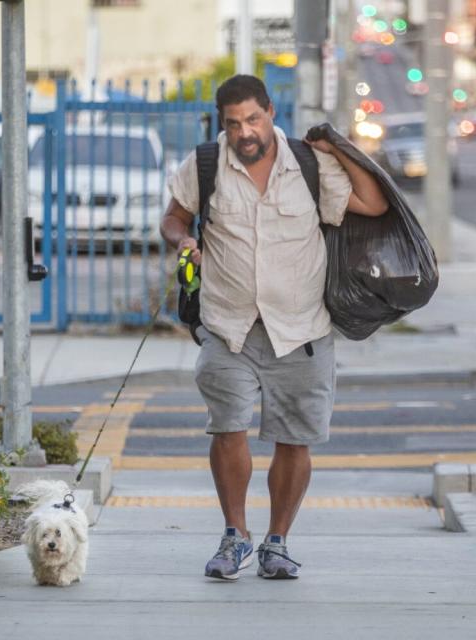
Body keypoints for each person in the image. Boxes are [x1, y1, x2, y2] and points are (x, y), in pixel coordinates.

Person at [160, 75, 389, 581]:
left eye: (253, 119)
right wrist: (182, 241)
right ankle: (234, 535)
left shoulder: (309, 164)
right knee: (228, 427)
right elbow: (173, 218)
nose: (245, 132)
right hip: (229, 325)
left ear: (271, 113)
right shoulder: (204, 164)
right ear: (223, 123)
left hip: (302, 330)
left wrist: (338, 148)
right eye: (234, 123)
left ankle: (277, 542)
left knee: (294, 439)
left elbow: (373, 203)